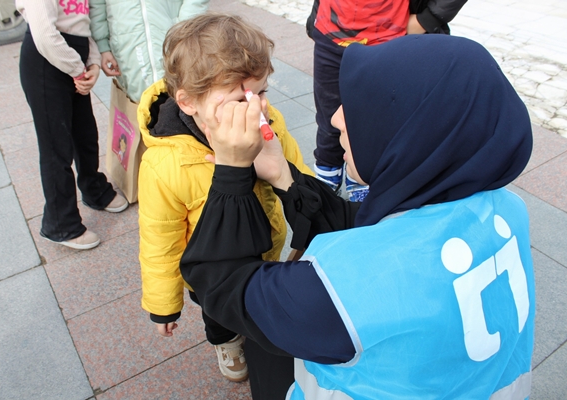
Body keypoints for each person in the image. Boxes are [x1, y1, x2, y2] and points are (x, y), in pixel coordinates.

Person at [179, 34, 535, 399]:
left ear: (412, 133)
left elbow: (221, 284)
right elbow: (374, 229)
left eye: (361, 107)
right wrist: (282, 176)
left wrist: (232, 170)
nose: (335, 119)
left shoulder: (342, 295)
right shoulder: (508, 210)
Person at [136, 13, 313, 394]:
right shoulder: (165, 163)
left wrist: (307, 223)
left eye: (262, 92)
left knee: (263, 306)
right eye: (239, 99)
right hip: (211, 272)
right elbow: (159, 237)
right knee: (220, 315)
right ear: (188, 102)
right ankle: (226, 342)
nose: (258, 109)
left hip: (266, 252)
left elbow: (297, 171)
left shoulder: (270, 123)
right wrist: (163, 302)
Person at [308, 0, 467, 202]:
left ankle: (362, 177)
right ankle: (327, 171)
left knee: (375, 121)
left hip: (390, 39)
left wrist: (426, 19)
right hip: (329, 34)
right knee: (328, 116)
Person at [17, 0, 128, 250]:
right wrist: (78, 70)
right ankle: (60, 223)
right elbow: (45, 34)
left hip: (73, 63)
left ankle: (94, 189)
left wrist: (93, 64)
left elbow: (82, 26)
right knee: (57, 147)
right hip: (47, 63)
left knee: (85, 134)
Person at [89, 0, 209, 103]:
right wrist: (103, 45)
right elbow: (97, 5)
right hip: (128, 47)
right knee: (138, 104)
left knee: (182, 98)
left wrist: (185, 26)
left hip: (176, 39)